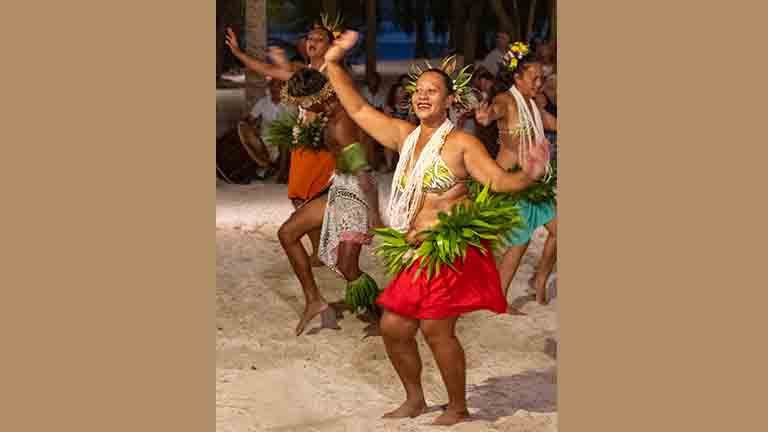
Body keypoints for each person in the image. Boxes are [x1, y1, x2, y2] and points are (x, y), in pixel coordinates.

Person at [324, 31, 550, 426]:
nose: (423, 96)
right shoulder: (404, 137)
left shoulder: (462, 144)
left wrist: (528, 175)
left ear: (450, 101)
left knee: (434, 328)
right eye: (419, 90)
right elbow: (358, 109)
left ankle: (458, 407)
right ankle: (414, 399)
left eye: (433, 91)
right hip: (415, 249)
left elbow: (498, 181)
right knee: (394, 327)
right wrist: (333, 62)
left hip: (451, 249)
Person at [277, 68, 382, 336]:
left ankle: (384, 313)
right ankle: (314, 301)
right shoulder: (333, 111)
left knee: (348, 268)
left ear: (315, 98)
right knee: (288, 233)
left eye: (302, 103)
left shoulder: (340, 124)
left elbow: (363, 171)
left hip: (357, 192)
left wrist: (374, 213)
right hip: (339, 186)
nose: (302, 108)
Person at [225, 23, 338, 266]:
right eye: (310, 37)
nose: (312, 41)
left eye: (319, 38)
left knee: (314, 198)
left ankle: (328, 249)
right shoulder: (304, 70)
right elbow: (268, 69)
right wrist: (238, 53)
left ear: (330, 46)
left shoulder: (332, 72)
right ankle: (320, 249)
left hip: (322, 143)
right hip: (301, 141)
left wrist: (285, 65)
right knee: (298, 196)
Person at [475, 41, 558, 305]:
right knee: (519, 243)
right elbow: (493, 113)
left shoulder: (534, 105)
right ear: (517, 77)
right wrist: (486, 117)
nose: (538, 84)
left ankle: (540, 279)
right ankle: (497, 297)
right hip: (510, 181)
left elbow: (553, 123)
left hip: (534, 183)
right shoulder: (507, 100)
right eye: (533, 79)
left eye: (541, 79)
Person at [238, 78, 295, 181]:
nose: (275, 89)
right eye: (273, 86)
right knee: (250, 139)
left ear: (284, 89)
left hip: (285, 139)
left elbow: (293, 124)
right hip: (265, 138)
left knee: (285, 141)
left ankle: (281, 172)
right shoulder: (263, 102)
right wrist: (246, 125)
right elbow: (250, 119)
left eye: (279, 86)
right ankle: (270, 167)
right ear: (269, 88)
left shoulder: (290, 104)